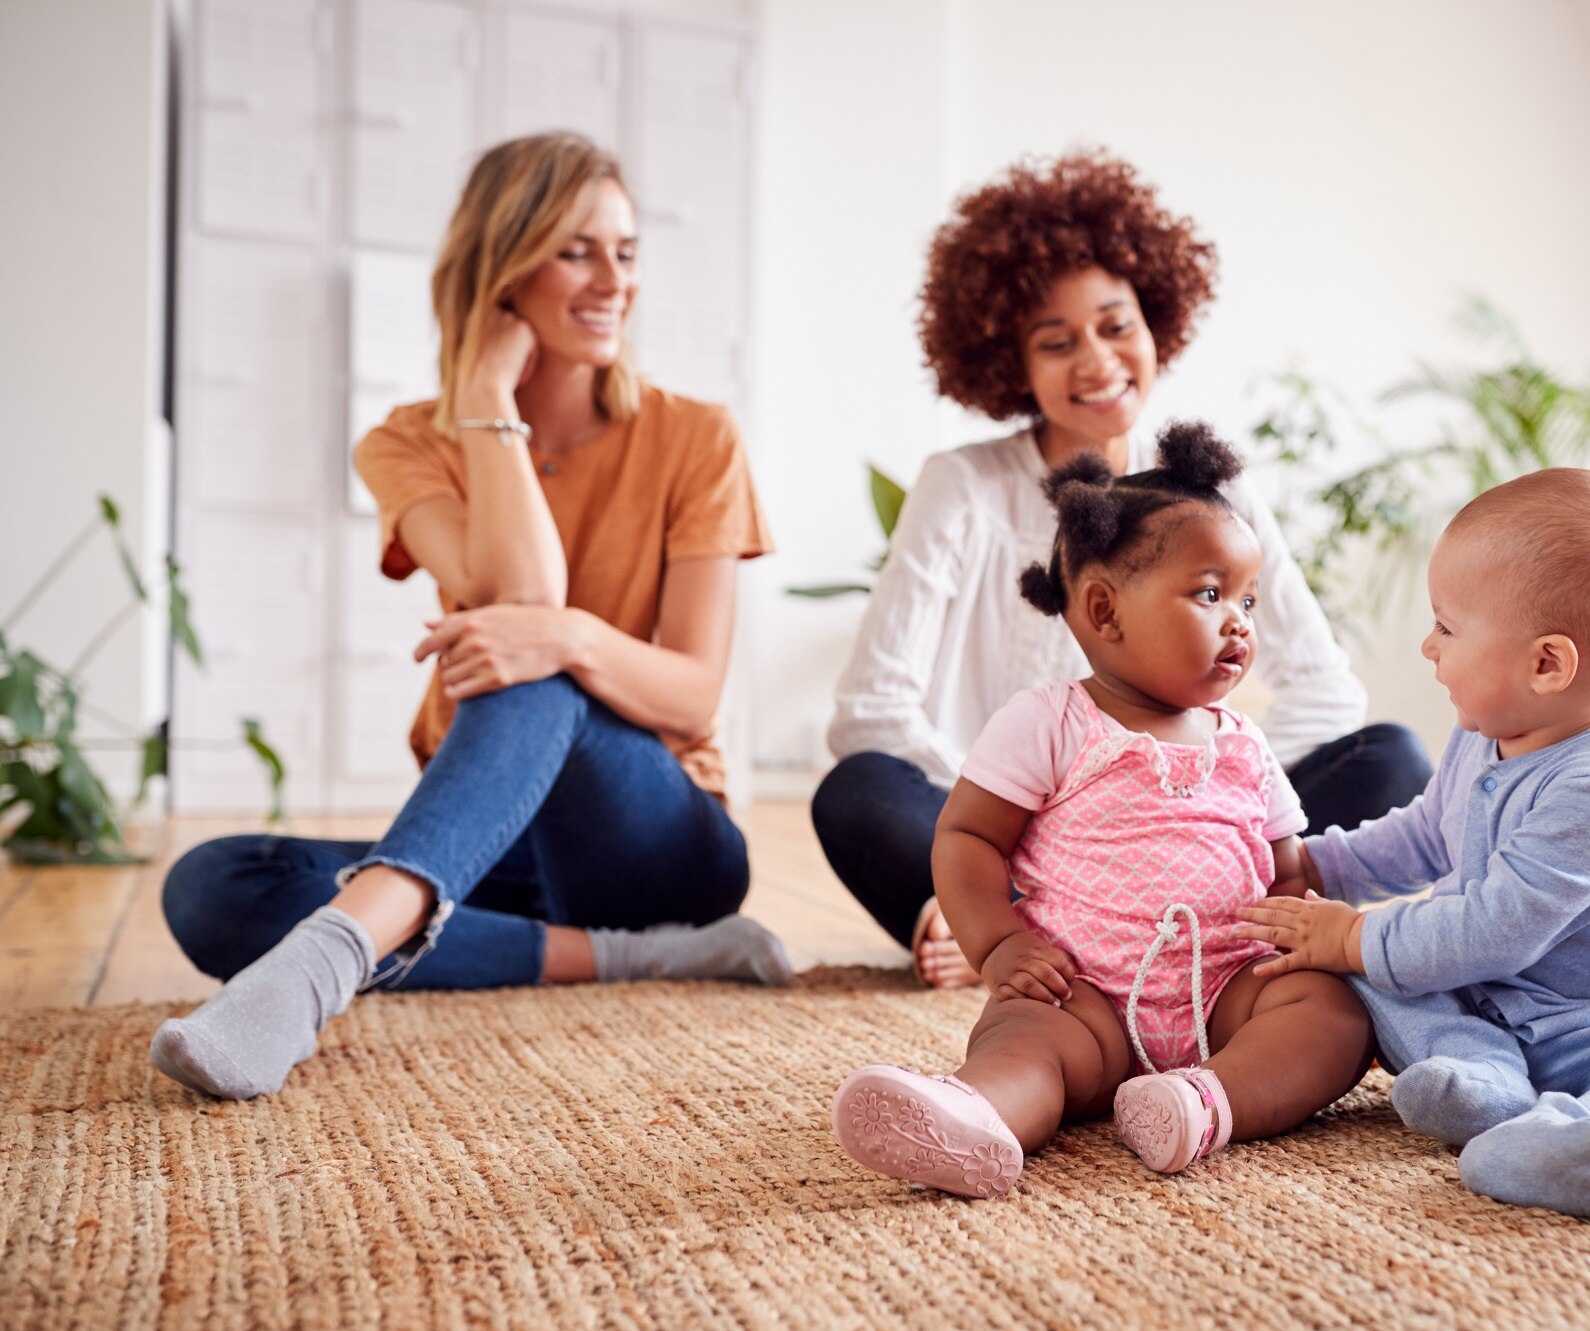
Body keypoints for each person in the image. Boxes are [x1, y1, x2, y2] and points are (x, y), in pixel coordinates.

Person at [150, 133, 788, 1102]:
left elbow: (689, 693)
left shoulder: (695, 435)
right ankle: (635, 958)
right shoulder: (408, 440)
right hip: (499, 850)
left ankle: (322, 964)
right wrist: (489, 399)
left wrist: (570, 637)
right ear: (501, 268)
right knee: (212, 887)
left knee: (527, 655)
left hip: (656, 840)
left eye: (625, 249)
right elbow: (518, 593)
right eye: (576, 249)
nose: (613, 278)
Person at [814, 150, 1431, 990]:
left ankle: (1130, 911)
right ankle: (985, 910)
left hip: (1187, 832)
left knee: (1388, 756)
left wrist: (1197, 793)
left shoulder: (1211, 490)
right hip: (1004, 829)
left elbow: (1327, 692)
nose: (1098, 361)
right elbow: (871, 714)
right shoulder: (961, 485)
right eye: (1056, 341)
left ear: (1156, 322)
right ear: (1011, 363)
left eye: (1115, 325)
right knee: (856, 792)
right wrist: (1039, 816)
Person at [830, 425, 1375, 1199]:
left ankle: (1205, 1101)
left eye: (1249, 598)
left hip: (1227, 992)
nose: (1241, 621)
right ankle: (974, 1113)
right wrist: (998, 946)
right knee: (1025, 1037)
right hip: (1082, 993)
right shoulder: (1051, 721)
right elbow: (967, 836)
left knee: (1334, 1015)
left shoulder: (1246, 744)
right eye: (1212, 594)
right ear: (1103, 609)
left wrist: (1306, 930)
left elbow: (1286, 868)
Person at [1235, 468, 1590, 1220]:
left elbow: (1493, 927)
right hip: (1492, 1003)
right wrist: (1320, 862)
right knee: (1367, 976)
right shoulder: (1484, 736)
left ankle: (1587, 1137)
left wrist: (1351, 934)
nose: (1427, 644)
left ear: (1547, 663)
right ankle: (1483, 1080)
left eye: (1447, 627)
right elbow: (1425, 833)